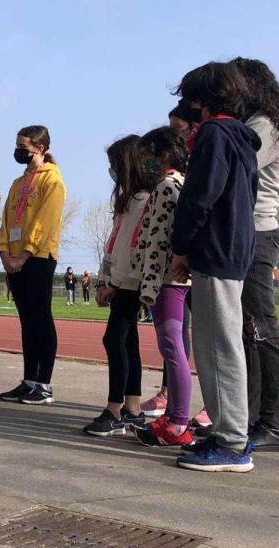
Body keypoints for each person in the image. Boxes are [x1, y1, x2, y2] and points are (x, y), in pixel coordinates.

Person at [170, 61, 260, 473]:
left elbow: (199, 196)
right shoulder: (240, 138)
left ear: (202, 99)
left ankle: (232, 442)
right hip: (233, 247)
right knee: (221, 343)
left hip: (216, 249)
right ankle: (229, 431)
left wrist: (182, 246)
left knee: (217, 347)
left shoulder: (213, 134)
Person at [232, 57, 279, 453]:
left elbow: (234, 165)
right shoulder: (257, 122)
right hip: (248, 231)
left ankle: (274, 423)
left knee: (262, 327)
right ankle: (251, 416)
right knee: (249, 327)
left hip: (257, 232)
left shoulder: (267, 125)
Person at [131, 126, 194, 447]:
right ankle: (173, 417)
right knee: (173, 348)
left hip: (167, 279)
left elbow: (158, 237)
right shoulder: (177, 183)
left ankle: (178, 422)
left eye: (148, 155)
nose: (145, 162)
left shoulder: (168, 186)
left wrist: (150, 279)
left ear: (164, 154)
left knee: (172, 348)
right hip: (170, 278)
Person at [0, 126, 66, 405]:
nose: (18, 151)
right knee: (26, 320)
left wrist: (24, 255)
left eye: (23, 147)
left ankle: (44, 384)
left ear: (40, 148)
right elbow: (6, 219)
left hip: (38, 257)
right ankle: (29, 380)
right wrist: (4, 252)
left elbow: (44, 223)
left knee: (41, 317)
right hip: (13, 258)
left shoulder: (53, 181)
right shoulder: (17, 183)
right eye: (17, 146)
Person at [84, 135, 149, 436]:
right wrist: (103, 279)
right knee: (128, 341)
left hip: (131, 282)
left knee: (114, 339)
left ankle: (114, 410)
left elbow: (136, 248)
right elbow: (113, 245)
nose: (112, 171)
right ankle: (132, 409)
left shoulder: (145, 200)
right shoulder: (126, 201)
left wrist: (115, 283)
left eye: (115, 164)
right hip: (119, 280)